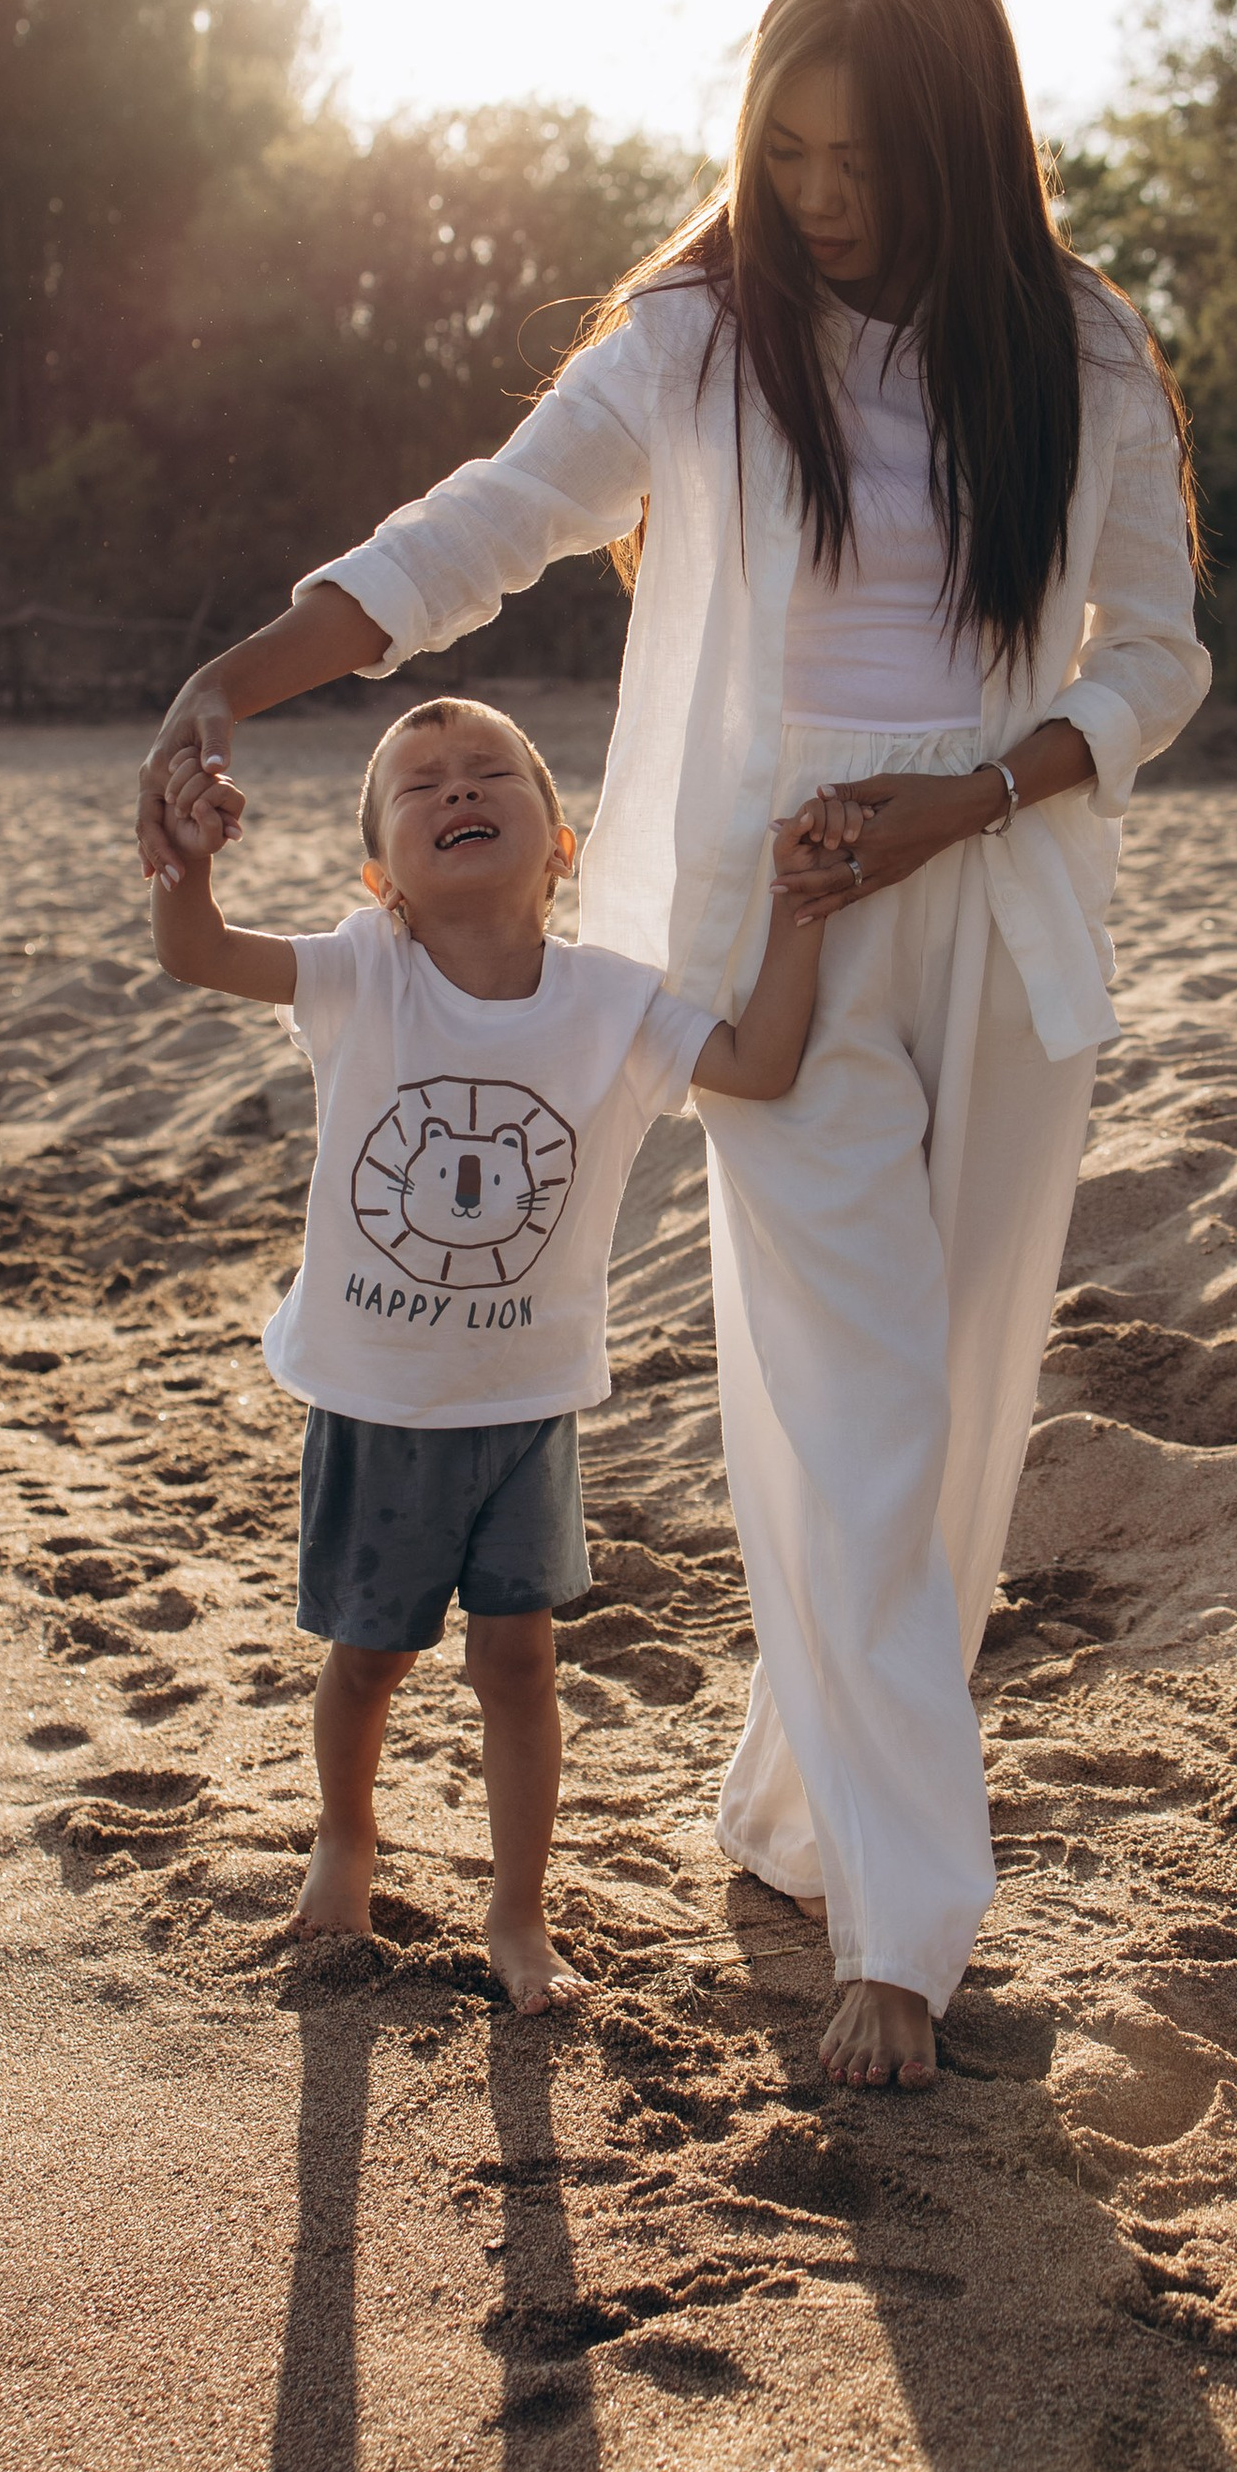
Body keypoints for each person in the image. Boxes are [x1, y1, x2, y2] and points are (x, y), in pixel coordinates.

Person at [139, 0, 1208, 2087]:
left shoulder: (1079, 349)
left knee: (956, 1426)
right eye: (785, 151)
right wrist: (224, 682)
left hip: (993, 918)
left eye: (866, 157)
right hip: (757, 941)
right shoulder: (697, 340)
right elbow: (481, 531)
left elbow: (1156, 656)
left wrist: (978, 794)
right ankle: (904, 1928)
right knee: (852, 1413)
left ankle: (801, 1811)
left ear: (964, 146)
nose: (821, 196)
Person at [150, 692, 825, 2013]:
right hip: (377, 1394)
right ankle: (347, 1836)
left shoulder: (613, 1004)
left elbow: (764, 1059)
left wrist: (801, 913)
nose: (457, 789)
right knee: (369, 1656)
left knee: (519, 1664)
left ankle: (518, 1913)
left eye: (489, 774)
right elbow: (197, 952)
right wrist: (190, 852)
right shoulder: (364, 971)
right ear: (379, 879)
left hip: (527, 1405)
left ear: (561, 842)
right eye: (420, 786)